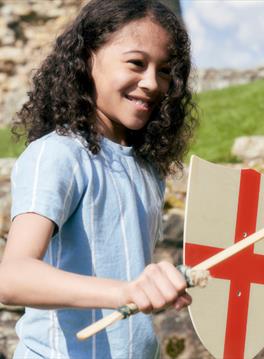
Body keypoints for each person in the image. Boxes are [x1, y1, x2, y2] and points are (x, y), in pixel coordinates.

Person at [0, 0, 198, 358]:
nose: (152, 83)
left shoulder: (147, 167)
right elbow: (12, 277)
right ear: (87, 58)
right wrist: (126, 292)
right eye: (136, 63)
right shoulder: (59, 154)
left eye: (166, 70)